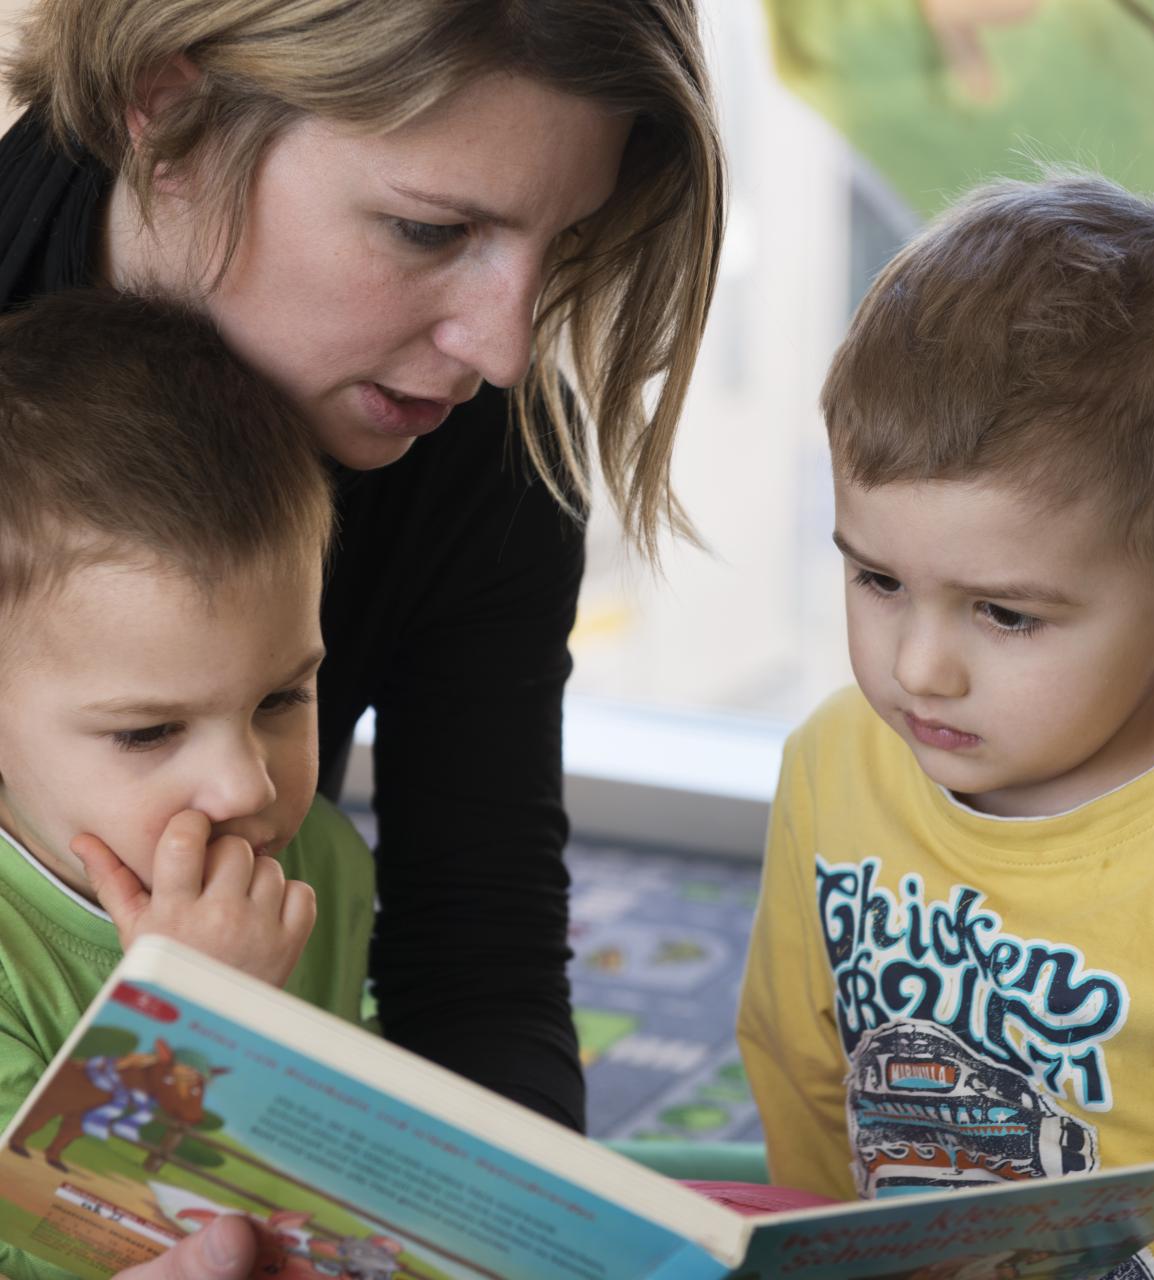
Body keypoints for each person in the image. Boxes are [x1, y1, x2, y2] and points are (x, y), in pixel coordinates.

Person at [0, 0, 725, 1139]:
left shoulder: (489, 451)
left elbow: (476, 959)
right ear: (170, 103)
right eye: (429, 230)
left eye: (563, 241)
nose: (502, 349)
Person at [736, 172, 1154, 1280]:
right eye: (877, 579)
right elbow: (800, 1060)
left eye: (1002, 612)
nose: (916, 666)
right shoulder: (835, 760)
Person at [0, 288, 374, 1280]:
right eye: (150, 730)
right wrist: (190, 1015)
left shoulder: (314, 862)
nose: (245, 784)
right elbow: (57, 1248)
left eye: (282, 697)